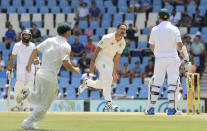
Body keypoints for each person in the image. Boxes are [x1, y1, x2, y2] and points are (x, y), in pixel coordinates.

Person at [16, 23, 80, 130]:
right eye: (70, 31)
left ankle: (27, 93)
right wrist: (75, 69)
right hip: (49, 76)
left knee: (43, 99)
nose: (71, 32)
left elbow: (35, 50)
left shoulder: (50, 40)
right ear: (67, 32)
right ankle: (27, 123)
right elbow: (65, 63)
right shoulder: (66, 45)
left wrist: (28, 64)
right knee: (45, 104)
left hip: (40, 74)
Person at [145, 8, 191, 115]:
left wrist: (157, 54)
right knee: (172, 83)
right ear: (169, 17)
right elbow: (180, 46)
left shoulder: (155, 29)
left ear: (159, 17)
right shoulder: (174, 29)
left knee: (157, 83)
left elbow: (152, 45)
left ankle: (151, 108)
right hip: (172, 58)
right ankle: (171, 109)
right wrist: (185, 58)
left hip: (160, 59)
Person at [78, 23, 126, 111]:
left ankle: (87, 83)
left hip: (109, 62)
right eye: (121, 29)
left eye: (124, 29)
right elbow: (96, 51)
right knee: (108, 78)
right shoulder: (107, 38)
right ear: (117, 29)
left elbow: (117, 58)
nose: (123, 31)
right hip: (100, 59)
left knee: (103, 84)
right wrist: (91, 65)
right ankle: (109, 103)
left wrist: (115, 72)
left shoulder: (123, 43)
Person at [8, 29, 39, 112]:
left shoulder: (33, 45)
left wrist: (38, 68)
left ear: (30, 36)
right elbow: (12, 57)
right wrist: (9, 69)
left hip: (31, 67)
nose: (27, 37)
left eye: (28, 35)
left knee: (29, 88)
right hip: (21, 67)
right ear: (22, 36)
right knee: (19, 86)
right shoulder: (17, 45)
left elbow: (35, 58)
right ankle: (16, 106)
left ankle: (27, 106)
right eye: (25, 35)